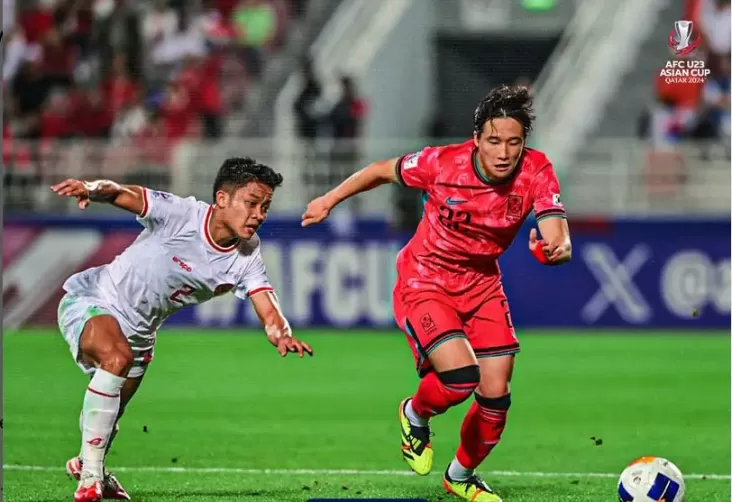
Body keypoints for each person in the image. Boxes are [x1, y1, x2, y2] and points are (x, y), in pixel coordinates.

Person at [302, 85, 571, 502]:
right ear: (477, 138)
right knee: (462, 378)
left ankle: (461, 475)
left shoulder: (536, 170)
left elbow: (556, 230)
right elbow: (378, 170)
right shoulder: (441, 163)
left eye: (513, 142)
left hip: (482, 285)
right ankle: (415, 412)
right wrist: (330, 199)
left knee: (496, 397)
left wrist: (554, 248)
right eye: (495, 141)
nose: (504, 152)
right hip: (425, 280)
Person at [52, 157, 313, 502]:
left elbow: (267, 304)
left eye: (265, 206)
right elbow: (121, 193)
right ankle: (90, 480)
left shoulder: (247, 255)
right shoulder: (181, 214)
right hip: (94, 299)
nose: (259, 214)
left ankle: (90, 464)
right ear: (222, 199)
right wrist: (90, 188)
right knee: (117, 358)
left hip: (142, 334)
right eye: (252, 203)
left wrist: (281, 332)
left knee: (113, 410)